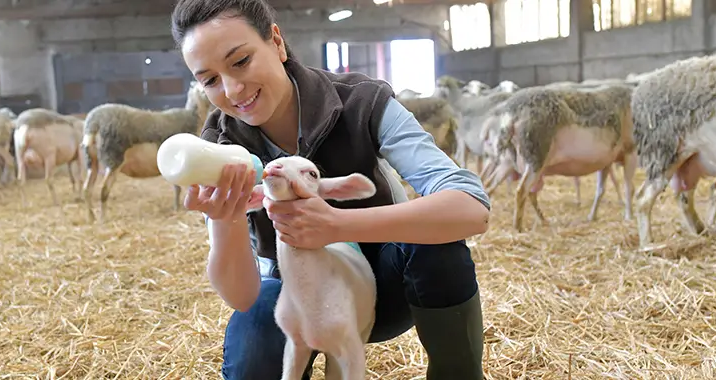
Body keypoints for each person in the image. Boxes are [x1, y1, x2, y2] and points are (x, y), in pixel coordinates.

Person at [170, 0, 492, 378]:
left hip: (381, 288)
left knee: (436, 244)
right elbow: (241, 296)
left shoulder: (362, 102)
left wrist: (337, 226)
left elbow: (471, 207)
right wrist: (225, 222)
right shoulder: (222, 150)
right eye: (209, 79)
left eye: (240, 61)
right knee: (256, 319)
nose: (232, 89)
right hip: (297, 301)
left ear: (276, 42)